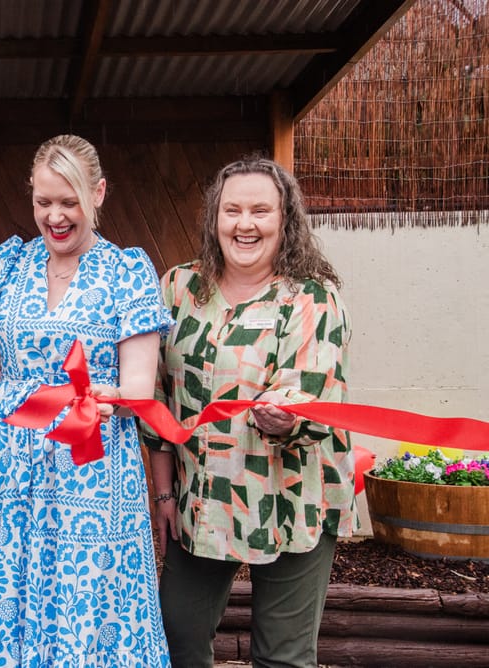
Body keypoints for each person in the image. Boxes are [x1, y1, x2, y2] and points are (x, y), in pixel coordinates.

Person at [0, 134, 174, 666]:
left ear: (99, 194)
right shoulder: (5, 266)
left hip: (89, 466)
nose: (56, 216)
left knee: (86, 603)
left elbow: (139, 384)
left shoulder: (128, 272)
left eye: (70, 202)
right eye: (44, 202)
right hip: (11, 470)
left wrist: (113, 395)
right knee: (8, 596)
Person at [143, 156, 355, 667]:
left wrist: (288, 420)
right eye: (232, 209)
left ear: (285, 220)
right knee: (177, 634)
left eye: (261, 210)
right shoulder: (178, 289)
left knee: (281, 655)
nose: (245, 224)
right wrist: (165, 492)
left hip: (291, 501)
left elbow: (313, 402)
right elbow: (159, 397)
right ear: (214, 217)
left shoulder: (313, 300)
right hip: (203, 499)